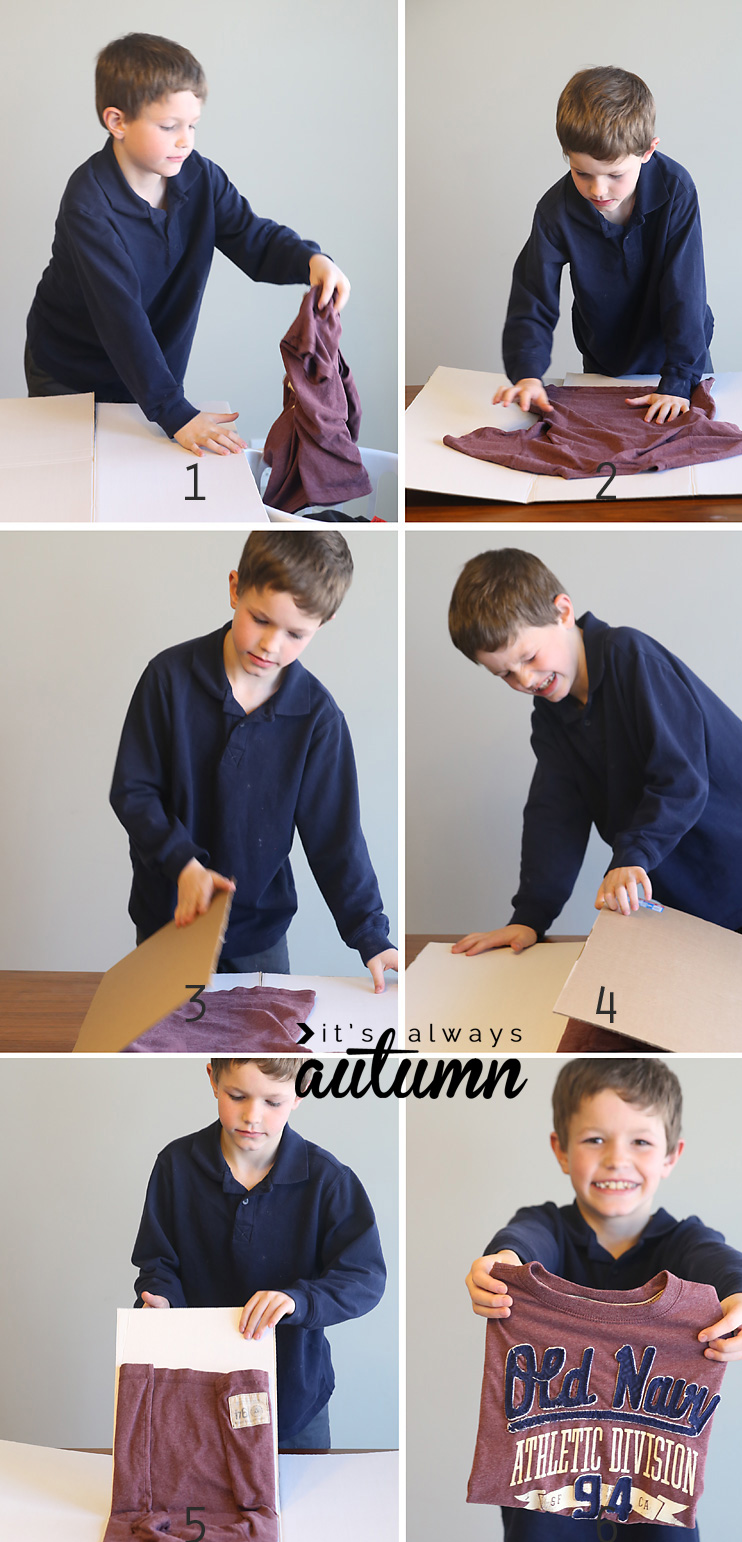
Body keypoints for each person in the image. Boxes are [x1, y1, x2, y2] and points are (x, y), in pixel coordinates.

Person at [466, 1057, 742, 1542]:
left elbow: (725, 1265)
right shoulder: (547, 1229)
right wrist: (504, 1265)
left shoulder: (685, 1243)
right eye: (594, 1140)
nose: (616, 1160)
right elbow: (521, 1242)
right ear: (560, 1149)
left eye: (641, 1142)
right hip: (546, 1523)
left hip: (655, 1525)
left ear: (672, 1155)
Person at [449, 548, 742, 957]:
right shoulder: (549, 718)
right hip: (702, 903)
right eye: (505, 673)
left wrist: (632, 857)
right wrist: (530, 916)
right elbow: (554, 817)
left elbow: (680, 779)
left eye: (528, 657)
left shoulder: (630, 657)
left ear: (563, 612)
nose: (525, 678)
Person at [26, 32, 350, 457]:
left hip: (148, 376)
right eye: (169, 127)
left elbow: (254, 237)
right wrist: (175, 412)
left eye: (192, 125)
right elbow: (121, 319)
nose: (186, 140)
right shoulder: (89, 206)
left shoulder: (200, 178)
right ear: (117, 121)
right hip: (69, 375)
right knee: (75, 488)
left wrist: (311, 260)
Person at [110, 529, 398, 992]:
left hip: (260, 937)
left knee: (265, 1052)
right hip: (169, 921)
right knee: (167, 1039)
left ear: (322, 625)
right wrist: (184, 865)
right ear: (234, 589)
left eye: (295, 634)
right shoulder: (167, 678)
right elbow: (133, 791)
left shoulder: (318, 719)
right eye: (260, 619)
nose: (271, 645)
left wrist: (371, 934)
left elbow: (336, 839)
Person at [133, 1056, 387, 1449]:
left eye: (273, 1102)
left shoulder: (329, 1180)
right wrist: (161, 1301)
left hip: (293, 1398)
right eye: (237, 1096)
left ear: (301, 1091)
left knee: (302, 1509)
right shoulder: (175, 1165)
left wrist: (297, 1300)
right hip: (198, 1386)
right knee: (199, 1502)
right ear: (213, 1080)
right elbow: (158, 1260)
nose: (252, 1116)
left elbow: (364, 1278)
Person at [495, 67, 713, 427]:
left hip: (681, 357)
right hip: (605, 357)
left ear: (647, 151)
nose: (598, 190)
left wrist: (678, 380)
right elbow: (533, 295)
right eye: (582, 173)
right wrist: (527, 373)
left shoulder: (677, 189)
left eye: (615, 175)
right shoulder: (555, 211)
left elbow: (685, 288)